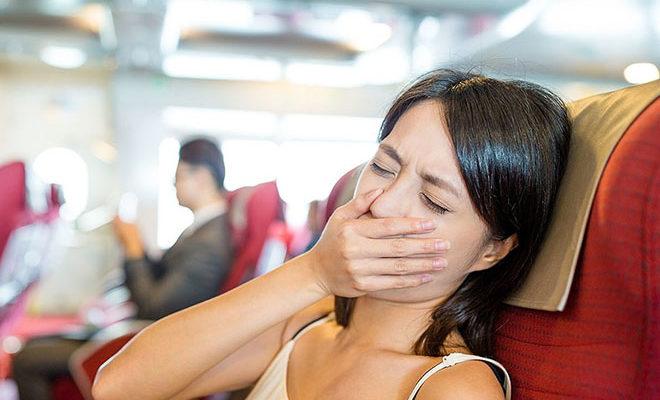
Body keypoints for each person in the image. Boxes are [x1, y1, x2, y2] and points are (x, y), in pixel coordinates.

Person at [93, 69, 571, 400]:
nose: (383, 203)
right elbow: (117, 386)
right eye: (383, 168)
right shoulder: (307, 324)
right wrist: (312, 273)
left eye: (435, 201)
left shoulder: (453, 388)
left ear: (492, 249)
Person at [12, 137, 234, 400]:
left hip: (153, 346)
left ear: (202, 176)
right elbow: (165, 276)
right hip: (144, 332)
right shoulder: (201, 231)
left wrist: (132, 249)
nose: (174, 184)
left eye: (179, 175)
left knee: (27, 360)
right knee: (36, 343)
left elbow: (154, 307)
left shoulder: (209, 242)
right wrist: (136, 243)